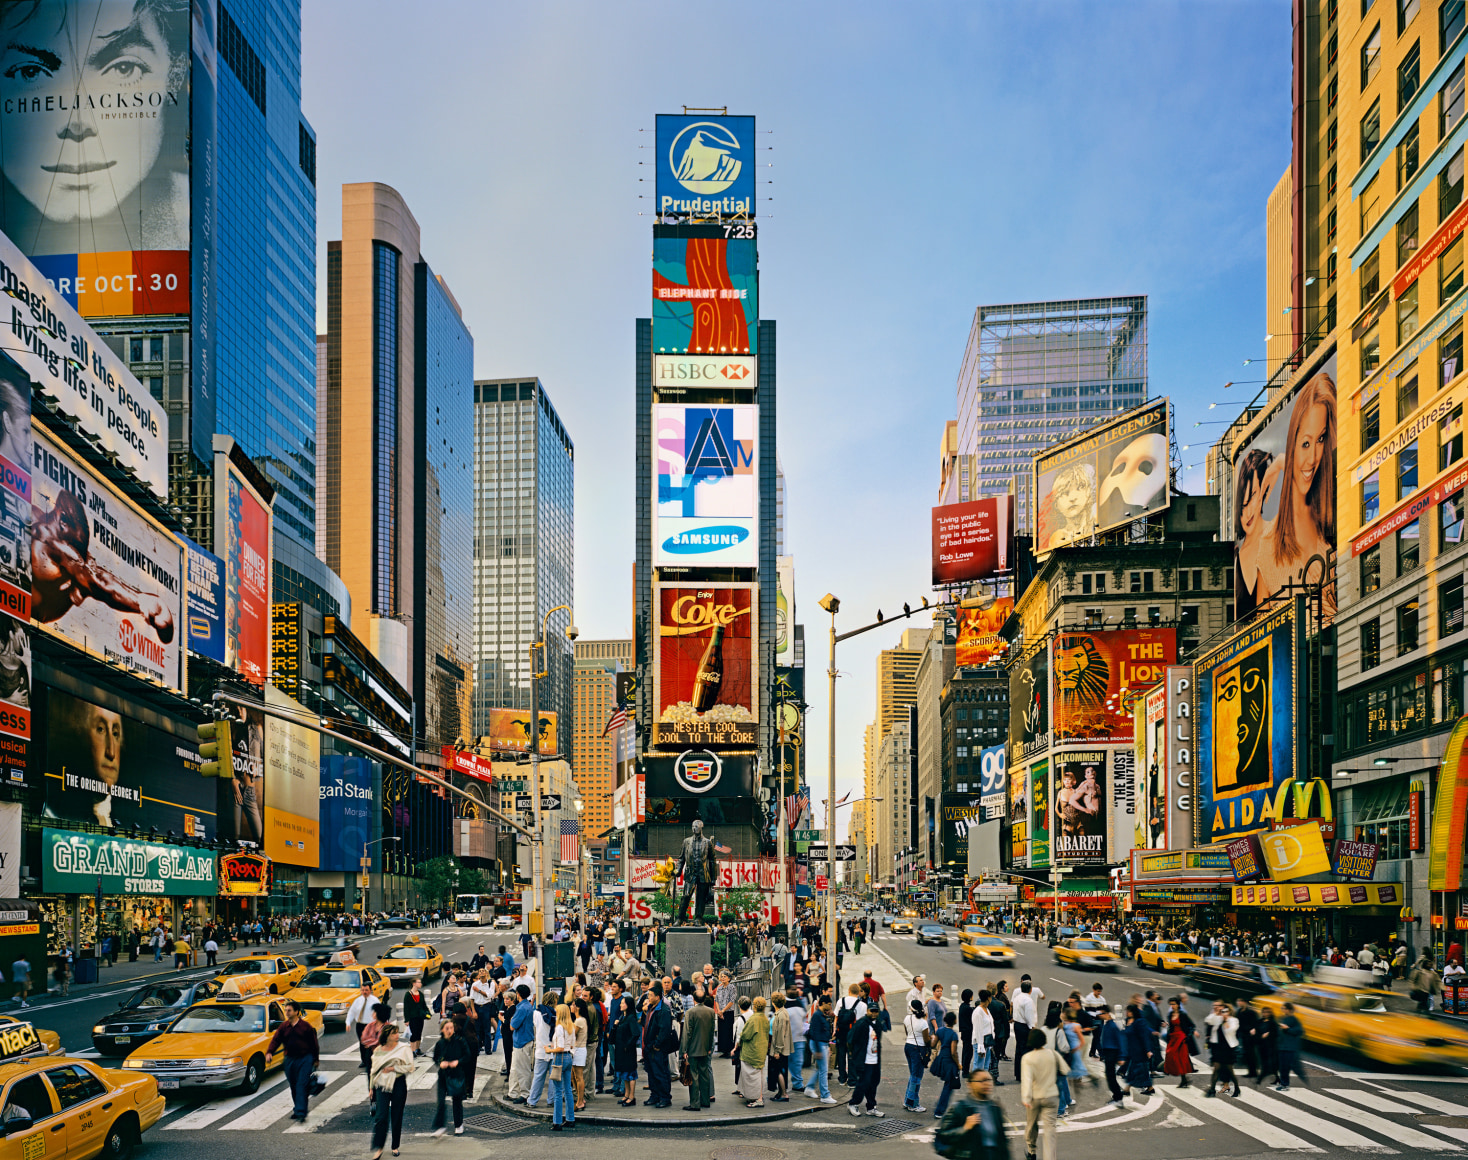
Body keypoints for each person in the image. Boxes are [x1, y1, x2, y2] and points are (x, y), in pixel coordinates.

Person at [936, 1069, 1011, 1160]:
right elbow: (943, 1136)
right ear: (969, 1084)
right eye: (981, 1081)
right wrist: (964, 1128)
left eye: (989, 1080)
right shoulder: (960, 1108)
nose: (986, 1083)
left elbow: (1002, 1141)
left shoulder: (995, 1108)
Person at [266, 1000, 320, 1123]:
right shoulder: (284, 1026)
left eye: (289, 1010)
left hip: (305, 1059)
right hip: (290, 1060)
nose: (287, 1013)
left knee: (301, 1084)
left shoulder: (305, 1026)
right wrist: (269, 1052)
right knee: (294, 1086)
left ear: (296, 1012)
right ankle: (298, 1108)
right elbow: (276, 1040)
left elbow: (314, 1044)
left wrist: (315, 1059)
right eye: (286, 1010)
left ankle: (300, 1112)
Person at [369, 1023, 413, 1159]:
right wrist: (371, 1087)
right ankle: (379, 1147)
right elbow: (373, 1070)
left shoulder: (404, 1048)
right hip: (382, 1084)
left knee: (396, 1115)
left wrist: (393, 1069)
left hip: (398, 1082)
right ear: (387, 1035)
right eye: (394, 1033)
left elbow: (410, 1067)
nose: (397, 1035)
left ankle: (395, 1146)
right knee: (381, 1117)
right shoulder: (378, 1050)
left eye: (397, 1032)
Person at [1019, 1028, 1059, 1160]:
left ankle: (1032, 1152)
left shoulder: (1027, 1058)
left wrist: (1026, 1097)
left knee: (1031, 1125)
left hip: (1034, 1097)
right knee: (1049, 1130)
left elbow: (1027, 1079)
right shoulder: (1052, 1054)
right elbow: (1064, 1069)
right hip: (1051, 1095)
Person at [430, 1018, 470, 1136]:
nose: (449, 1031)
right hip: (443, 1074)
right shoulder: (440, 1043)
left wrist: (458, 1062)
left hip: (456, 1074)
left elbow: (467, 1056)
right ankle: (440, 1126)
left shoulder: (460, 1041)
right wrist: (440, 1063)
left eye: (451, 1028)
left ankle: (458, 1124)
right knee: (441, 1101)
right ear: (442, 1030)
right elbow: (435, 1057)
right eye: (447, 1028)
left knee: (457, 1100)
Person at [846, 999, 884, 1117]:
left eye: (876, 1011)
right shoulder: (861, 1024)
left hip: (875, 1059)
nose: (874, 1013)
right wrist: (853, 1055)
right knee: (863, 1083)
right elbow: (850, 1040)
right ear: (867, 1011)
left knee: (873, 1083)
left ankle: (871, 1107)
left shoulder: (878, 1024)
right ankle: (853, 1103)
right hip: (864, 1060)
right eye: (872, 1011)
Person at [681, 991, 716, 1111]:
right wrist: (710, 1047)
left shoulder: (690, 1012)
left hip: (693, 1049)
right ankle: (705, 1100)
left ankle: (695, 1103)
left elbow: (687, 1032)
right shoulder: (711, 1011)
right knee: (704, 1074)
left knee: (694, 1076)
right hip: (705, 1048)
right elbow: (712, 1031)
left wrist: (684, 1049)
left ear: (694, 999)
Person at [546, 1004, 576, 1131]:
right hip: (569, 1057)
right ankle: (570, 1118)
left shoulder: (559, 1027)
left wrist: (549, 1050)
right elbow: (572, 1045)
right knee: (567, 1089)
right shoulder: (571, 1026)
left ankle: (557, 1121)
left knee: (558, 1091)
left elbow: (560, 1047)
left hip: (559, 1057)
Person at [738, 994, 771, 1107]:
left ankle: (757, 1098)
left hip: (752, 1051)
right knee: (759, 1074)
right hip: (761, 1050)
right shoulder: (765, 1018)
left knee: (753, 1076)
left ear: (755, 1006)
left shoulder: (753, 1019)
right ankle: (759, 1097)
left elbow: (745, 1035)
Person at [1203, 1000, 1240, 1098]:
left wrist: (1226, 1020)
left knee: (1230, 1070)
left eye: (1225, 1011)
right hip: (1218, 1048)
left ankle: (1237, 1088)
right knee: (1216, 1069)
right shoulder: (1217, 1019)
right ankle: (1212, 1090)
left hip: (1228, 1049)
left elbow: (1230, 1031)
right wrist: (1216, 1013)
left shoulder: (1234, 1020)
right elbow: (1208, 1020)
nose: (1223, 1013)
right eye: (1222, 1011)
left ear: (1229, 1012)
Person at [804, 994, 836, 1103]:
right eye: (829, 1004)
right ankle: (825, 1095)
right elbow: (815, 1033)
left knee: (819, 1069)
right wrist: (818, 1050)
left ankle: (809, 1088)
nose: (830, 1006)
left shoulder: (820, 1015)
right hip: (819, 1045)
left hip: (821, 1044)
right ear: (823, 1003)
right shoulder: (818, 1016)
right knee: (823, 1070)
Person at [903, 997, 931, 1113]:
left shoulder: (907, 1018)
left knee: (912, 1075)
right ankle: (913, 1103)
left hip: (908, 1046)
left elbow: (907, 1032)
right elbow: (926, 1040)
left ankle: (907, 1100)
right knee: (916, 1077)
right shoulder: (923, 1023)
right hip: (919, 1049)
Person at [933, 1010, 963, 1120]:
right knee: (948, 1086)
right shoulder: (953, 1035)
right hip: (949, 1062)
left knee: (947, 1084)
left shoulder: (940, 1031)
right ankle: (940, 1110)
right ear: (954, 1021)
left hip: (941, 1059)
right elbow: (953, 1052)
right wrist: (958, 1064)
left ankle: (940, 1105)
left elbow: (933, 1044)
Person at [1011, 975, 1042, 1083]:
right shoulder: (1028, 1001)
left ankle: (1018, 1074)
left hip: (1017, 1025)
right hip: (1025, 1027)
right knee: (1027, 1051)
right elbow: (1030, 1017)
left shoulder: (1017, 998)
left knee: (1019, 1049)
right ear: (1030, 989)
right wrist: (1032, 1028)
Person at [1121, 1005, 1156, 1097]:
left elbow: (1144, 1037)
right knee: (1142, 1070)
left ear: (1133, 1012)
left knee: (1135, 1070)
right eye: (1127, 1011)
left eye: (1128, 1011)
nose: (1127, 1013)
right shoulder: (1127, 1021)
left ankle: (1127, 1088)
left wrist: (1148, 1050)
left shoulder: (1139, 1022)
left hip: (1140, 1050)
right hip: (1132, 1050)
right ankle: (1150, 1087)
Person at [835, 982, 866, 1084]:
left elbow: (836, 1017)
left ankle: (842, 1078)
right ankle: (852, 1080)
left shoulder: (841, 1001)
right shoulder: (862, 1005)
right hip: (854, 1034)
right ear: (858, 993)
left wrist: (834, 1030)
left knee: (841, 1055)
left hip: (841, 1032)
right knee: (852, 1056)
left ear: (849, 991)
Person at [1274, 1002, 1308, 1092]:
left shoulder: (1294, 1020)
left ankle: (1285, 1084)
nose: (1282, 1010)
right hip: (1282, 1047)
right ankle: (1283, 1083)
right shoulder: (1283, 1018)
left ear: (1288, 1010)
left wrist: (1287, 1029)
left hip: (1289, 1048)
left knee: (1285, 1067)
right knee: (1282, 1067)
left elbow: (1300, 1031)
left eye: (1284, 1008)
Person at [1163, 996, 1196, 1087]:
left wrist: (1187, 1036)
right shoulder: (1170, 1015)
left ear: (1178, 1005)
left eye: (1174, 1004)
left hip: (1181, 1038)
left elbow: (1191, 1025)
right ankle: (1184, 1079)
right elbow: (1171, 1027)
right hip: (1173, 1037)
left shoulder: (1182, 1014)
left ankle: (1184, 1080)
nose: (1172, 1006)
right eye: (1171, 1004)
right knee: (1170, 1055)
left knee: (1180, 1058)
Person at [1096, 1006, 1125, 1105]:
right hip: (1108, 1053)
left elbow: (1120, 1041)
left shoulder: (1112, 1026)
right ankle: (1117, 1095)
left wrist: (1121, 1057)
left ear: (1107, 1013)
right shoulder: (1107, 1024)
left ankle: (1118, 1097)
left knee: (1110, 1076)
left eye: (1101, 1013)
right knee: (1109, 1075)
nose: (1099, 1015)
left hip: (1112, 1053)